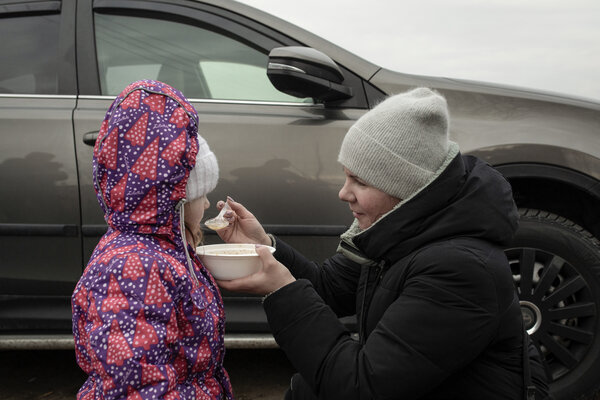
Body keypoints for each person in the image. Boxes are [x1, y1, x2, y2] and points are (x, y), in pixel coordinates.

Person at [215, 88, 550, 399]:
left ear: (406, 188)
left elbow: (361, 387)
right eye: (346, 176)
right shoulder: (397, 232)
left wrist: (282, 290)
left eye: (359, 181)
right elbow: (326, 288)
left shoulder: (460, 270)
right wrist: (264, 246)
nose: (343, 193)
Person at [71, 80, 233, 400]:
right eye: (201, 194)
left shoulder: (164, 250)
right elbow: (136, 388)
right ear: (176, 199)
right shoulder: (130, 268)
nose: (206, 203)